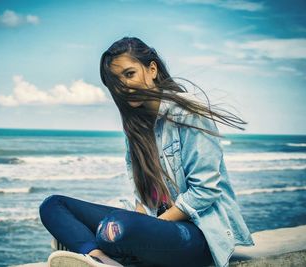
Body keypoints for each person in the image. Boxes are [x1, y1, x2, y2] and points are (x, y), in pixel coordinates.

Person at [39, 36, 255, 267]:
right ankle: (100, 259)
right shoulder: (135, 126)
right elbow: (143, 197)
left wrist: (150, 227)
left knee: (116, 228)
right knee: (53, 206)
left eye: (129, 74)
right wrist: (142, 225)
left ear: (152, 69)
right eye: (116, 82)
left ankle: (95, 246)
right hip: (156, 229)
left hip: (197, 234)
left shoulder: (188, 113)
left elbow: (204, 191)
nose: (123, 86)